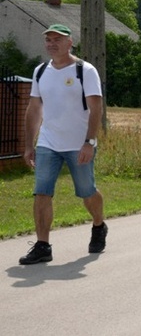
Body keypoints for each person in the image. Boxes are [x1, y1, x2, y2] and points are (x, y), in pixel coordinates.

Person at [20, 24, 107, 264]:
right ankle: (42, 245)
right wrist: (29, 145)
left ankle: (99, 225)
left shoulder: (85, 70)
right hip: (48, 143)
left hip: (78, 144)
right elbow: (34, 109)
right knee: (42, 191)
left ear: (70, 43)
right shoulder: (40, 71)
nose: (51, 44)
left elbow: (96, 107)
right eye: (48, 40)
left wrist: (89, 142)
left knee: (86, 191)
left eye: (57, 39)